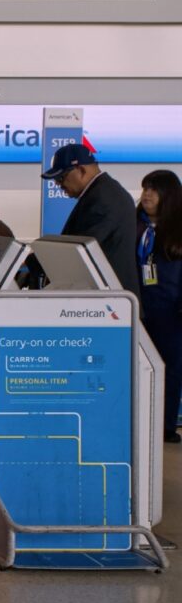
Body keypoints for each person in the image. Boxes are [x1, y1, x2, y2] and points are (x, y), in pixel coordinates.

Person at [41, 143, 140, 298]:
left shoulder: (104, 198)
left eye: (61, 178)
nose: (58, 185)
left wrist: (36, 261)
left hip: (110, 302)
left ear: (81, 170)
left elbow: (80, 248)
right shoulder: (101, 192)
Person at [137, 170, 182, 443]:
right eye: (145, 188)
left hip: (172, 311)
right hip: (140, 308)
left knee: (171, 367)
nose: (147, 194)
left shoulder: (177, 229)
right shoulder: (135, 225)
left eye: (154, 189)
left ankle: (165, 424)